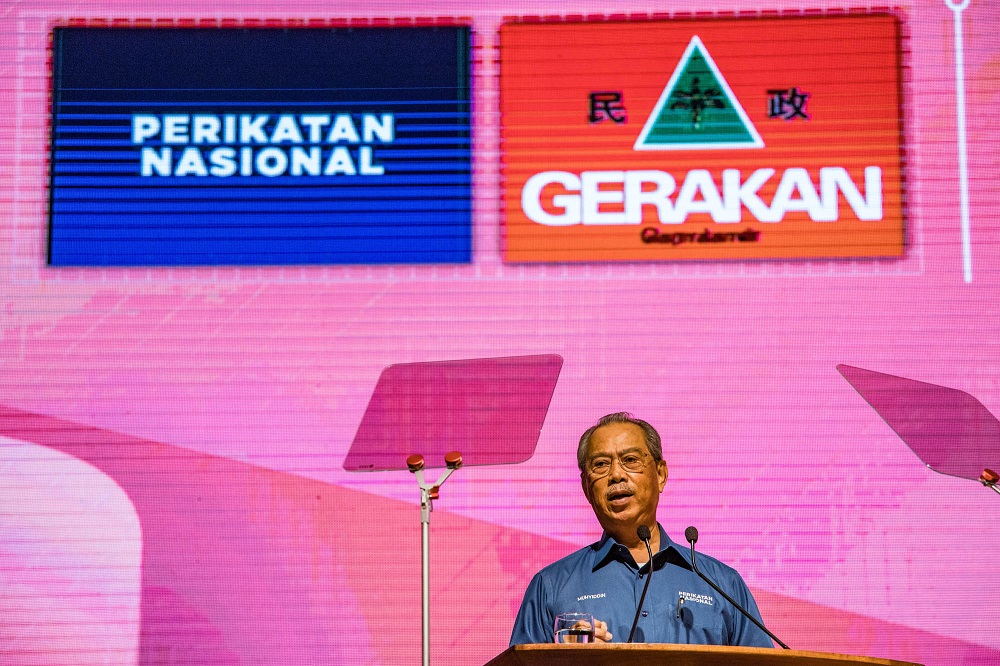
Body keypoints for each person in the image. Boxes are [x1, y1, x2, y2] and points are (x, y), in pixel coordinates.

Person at [510, 412, 773, 647]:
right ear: (586, 488)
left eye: (630, 460)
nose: (616, 475)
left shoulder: (722, 584)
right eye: (601, 464)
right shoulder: (551, 586)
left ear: (660, 474)